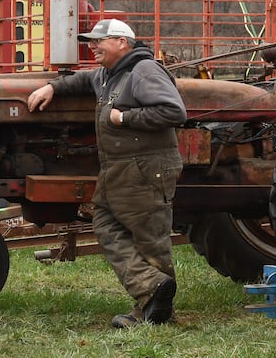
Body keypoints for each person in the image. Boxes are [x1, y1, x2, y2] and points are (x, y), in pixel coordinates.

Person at [27, 18, 186, 328]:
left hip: (145, 166)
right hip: (119, 168)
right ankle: (151, 287)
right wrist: (52, 86)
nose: (92, 46)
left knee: (149, 238)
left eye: (99, 41)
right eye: (90, 41)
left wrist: (123, 117)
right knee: (104, 223)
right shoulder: (107, 75)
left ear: (122, 43)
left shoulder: (144, 71)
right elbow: (84, 81)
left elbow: (173, 111)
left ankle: (155, 312)